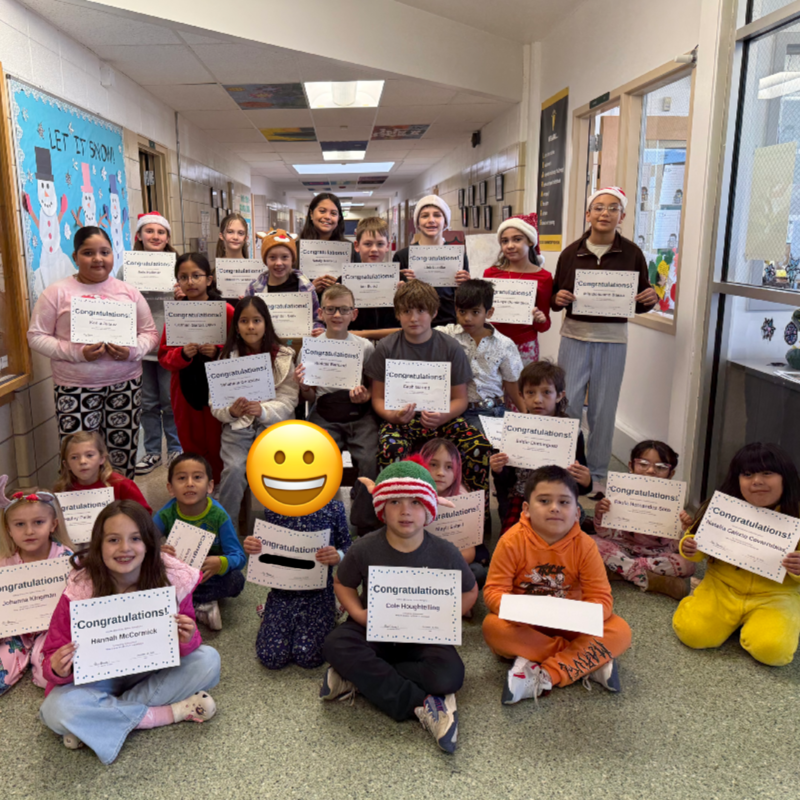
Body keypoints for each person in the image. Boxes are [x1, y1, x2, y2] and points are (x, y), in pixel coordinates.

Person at [39, 500, 221, 764]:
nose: (124, 548)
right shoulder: (81, 588)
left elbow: (189, 645)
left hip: (149, 670)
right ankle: (170, 713)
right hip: (96, 678)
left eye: (135, 538)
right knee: (55, 709)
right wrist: (57, 668)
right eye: (113, 540)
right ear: (98, 545)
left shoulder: (171, 578)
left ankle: (98, 718)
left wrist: (188, 637)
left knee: (208, 660)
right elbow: (51, 654)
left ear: (148, 544)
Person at [320, 457, 478, 754]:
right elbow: (342, 583)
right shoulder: (365, 546)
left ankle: (359, 677)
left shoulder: (445, 552)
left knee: (450, 675)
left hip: (422, 634)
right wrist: (357, 613)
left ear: (429, 510)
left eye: (416, 502)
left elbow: (470, 592)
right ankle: (423, 706)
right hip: (375, 627)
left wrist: (446, 619)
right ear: (382, 508)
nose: (406, 510)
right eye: (395, 501)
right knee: (336, 644)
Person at [482, 466, 632, 704]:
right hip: (527, 623)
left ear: (577, 512)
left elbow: (602, 599)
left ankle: (547, 673)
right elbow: (493, 592)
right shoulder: (511, 541)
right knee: (492, 627)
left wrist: (580, 616)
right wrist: (519, 611)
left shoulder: (585, 545)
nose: (554, 508)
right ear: (527, 509)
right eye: (544, 500)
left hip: (571, 621)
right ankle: (586, 660)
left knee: (620, 631)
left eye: (564, 502)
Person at [550, 187, 658, 498]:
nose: (604, 213)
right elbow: (557, 297)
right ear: (588, 214)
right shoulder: (571, 252)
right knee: (567, 406)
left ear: (621, 216)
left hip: (613, 340)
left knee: (603, 409)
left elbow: (640, 299)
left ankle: (596, 474)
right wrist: (558, 298)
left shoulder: (632, 253)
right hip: (574, 336)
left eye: (612, 208)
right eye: (598, 207)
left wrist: (649, 299)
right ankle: (563, 469)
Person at [27, 226, 159, 479]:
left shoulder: (128, 292)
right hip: (75, 388)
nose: (98, 259)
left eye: (105, 252)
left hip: (125, 385)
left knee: (121, 453)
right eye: (88, 253)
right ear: (75, 257)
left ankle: (121, 511)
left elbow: (150, 334)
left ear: (113, 255)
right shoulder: (57, 292)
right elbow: (36, 336)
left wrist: (132, 350)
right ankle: (84, 514)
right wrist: (76, 352)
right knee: (80, 458)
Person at [364, 280, 493, 503]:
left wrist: (444, 415)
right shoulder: (386, 347)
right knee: (391, 448)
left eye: (421, 311)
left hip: (443, 418)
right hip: (400, 420)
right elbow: (377, 398)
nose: (414, 318)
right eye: (406, 311)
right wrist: (392, 416)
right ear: (397, 314)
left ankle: (474, 517)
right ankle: (393, 511)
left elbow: (460, 399)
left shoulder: (450, 348)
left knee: (479, 446)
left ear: (434, 312)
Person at [673, 443, 800, 666]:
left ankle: (765, 622)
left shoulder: (796, 515)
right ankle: (702, 600)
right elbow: (695, 543)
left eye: (767, 473)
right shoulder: (721, 508)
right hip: (721, 587)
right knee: (691, 632)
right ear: (737, 479)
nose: (757, 481)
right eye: (748, 474)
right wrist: (690, 547)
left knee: (773, 652)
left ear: (785, 477)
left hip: (775, 596)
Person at [296, 284, 381, 535]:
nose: (337, 316)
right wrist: (304, 386)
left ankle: (365, 520)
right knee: (319, 456)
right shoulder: (310, 348)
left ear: (353, 314)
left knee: (370, 457)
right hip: (324, 410)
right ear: (320, 312)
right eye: (331, 309)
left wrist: (364, 395)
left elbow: (371, 389)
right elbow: (309, 395)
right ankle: (327, 519)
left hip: (359, 412)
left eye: (344, 310)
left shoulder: (364, 346)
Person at [211, 297, 299, 532]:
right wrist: (231, 411)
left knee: (281, 471)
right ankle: (226, 530)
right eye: (244, 321)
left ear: (266, 323)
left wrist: (263, 410)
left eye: (257, 320)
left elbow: (290, 399)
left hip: (273, 429)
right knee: (234, 470)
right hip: (237, 429)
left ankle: (284, 530)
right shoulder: (226, 357)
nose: (251, 326)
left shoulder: (283, 356)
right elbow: (215, 404)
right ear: (236, 326)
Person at [242, 498, 351, 669]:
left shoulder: (333, 508)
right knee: (271, 657)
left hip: (318, 594)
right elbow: (267, 545)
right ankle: (269, 612)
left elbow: (348, 545)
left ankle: (331, 610)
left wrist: (338, 555)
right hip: (281, 594)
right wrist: (253, 545)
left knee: (309, 656)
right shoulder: (274, 507)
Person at [490, 361, 592, 534]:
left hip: (559, 498)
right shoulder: (512, 429)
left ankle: (578, 515)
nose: (538, 400)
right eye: (530, 393)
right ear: (521, 395)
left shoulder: (571, 432)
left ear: (559, 395)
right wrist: (498, 469)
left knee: (568, 548)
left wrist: (586, 481)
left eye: (546, 393)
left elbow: (580, 482)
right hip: (522, 498)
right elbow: (505, 484)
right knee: (512, 546)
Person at [158, 253, 234, 483]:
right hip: (184, 389)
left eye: (196, 276)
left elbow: (240, 351)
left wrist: (218, 351)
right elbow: (164, 356)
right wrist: (181, 354)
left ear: (209, 280)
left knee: (218, 439)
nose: (190, 282)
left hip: (218, 389)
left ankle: (218, 484)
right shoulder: (175, 314)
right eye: (183, 277)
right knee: (190, 439)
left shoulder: (226, 311)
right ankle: (197, 485)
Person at [592, 440, 694, 599]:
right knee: (590, 544)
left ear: (671, 473)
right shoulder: (618, 494)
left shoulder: (673, 503)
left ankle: (619, 570)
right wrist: (600, 514)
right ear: (631, 466)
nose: (651, 470)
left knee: (686, 564)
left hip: (656, 554)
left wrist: (684, 530)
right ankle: (649, 579)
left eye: (661, 467)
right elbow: (605, 534)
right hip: (622, 546)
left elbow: (674, 546)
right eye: (643, 464)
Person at [155, 453, 245, 631]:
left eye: (197, 477)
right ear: (170, 488)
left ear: (210, 485)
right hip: (178, 572)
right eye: (181, 478)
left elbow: (239, 557)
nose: (190, 483)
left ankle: (190, 603)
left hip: (206, 575)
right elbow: (141, 542)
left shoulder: (219, 515)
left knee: (236, 580)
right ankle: (198, 604)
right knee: (150, 574)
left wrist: (221, 563)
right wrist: (157, 550)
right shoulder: (166, 514)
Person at [0, 490, 74, 695]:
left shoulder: (67, 559)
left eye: (38, 522)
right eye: (20, 524)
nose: (29, 531)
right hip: (15, 631)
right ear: (9, 530)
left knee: (48, 675)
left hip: (53, 629)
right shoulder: (5, 562)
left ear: (53, 525)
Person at [132, 211, 182, 476]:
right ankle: (152, 452)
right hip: (140, 347)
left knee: (170, 401)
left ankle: (175, 448)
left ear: (167, 237)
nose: (155, 236)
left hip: (169, 344)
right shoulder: (126, 267)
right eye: (149, 231)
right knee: (147, 403)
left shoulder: (177, 265)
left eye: (161, 232)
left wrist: (183, 293)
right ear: (139, 236)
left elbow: (196, 298)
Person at [435, 279, 524, 423]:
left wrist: (525, 413)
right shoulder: (447, 334)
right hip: (460, 412)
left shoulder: (504, 344)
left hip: (495, 410)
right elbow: (415, 331)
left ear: (489, 313)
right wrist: (384, 335)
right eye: (462, 311)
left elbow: (512, 383)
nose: (467, 318)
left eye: (475, 312)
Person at [483, 213, 553, 375]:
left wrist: (540, 319)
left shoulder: (544, 277)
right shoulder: (491, 274)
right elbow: (483, 313)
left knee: (522, 394)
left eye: (517, 239)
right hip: (493, 343)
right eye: (504, 241)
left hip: (525, 346)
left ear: (530, 241)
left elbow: (544, 325)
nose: (510, 245)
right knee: (493, 394)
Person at [418, 438, 488, 588]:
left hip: (450, 562)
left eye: (449, 467)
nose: (441, 473)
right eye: (433, 464)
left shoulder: (462, 499)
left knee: (477, 572)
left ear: (457, 471)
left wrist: (441, 563)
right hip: (418, 562)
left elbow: (469, 554)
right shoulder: (412, 497)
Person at [393, 195, 471, 327]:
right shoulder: (402, 256)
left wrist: (466, 285)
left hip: (448, 324)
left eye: (437, 215)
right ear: (417, 223)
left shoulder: (458, 255)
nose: (431, 220)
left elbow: (464, 299)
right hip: (413, 326)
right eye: (424, 216)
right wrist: (402, 288)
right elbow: (395, 302)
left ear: (445, 222)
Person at [244, 228, 324, 332]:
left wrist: (318, 330)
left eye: (285, 257)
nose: (278, 263)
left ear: (292, 260)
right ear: (265, 260)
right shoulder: (254, 289)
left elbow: (316, 318)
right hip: (265, 345)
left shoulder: (306, 288)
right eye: (272, 257)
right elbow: (245, 321)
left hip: (299, 345)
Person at [54, 431, 151, 514]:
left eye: (89, 455)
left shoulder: (121, 485)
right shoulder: (63, 490)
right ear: (66, 465)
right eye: (74, 457)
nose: (82, 461)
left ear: (102, 458)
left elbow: (144, 514)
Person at [349, 216, 399, 339]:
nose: (374, 250)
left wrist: (405, 297)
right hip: (355, 345)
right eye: (368, 244)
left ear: (387, 246)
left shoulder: (399, 279)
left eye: (380, 244)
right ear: (357, 246)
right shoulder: (345, 279)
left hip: (391, 344)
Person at [297, 193, 352, 295]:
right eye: (322, 211)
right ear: (311, 214)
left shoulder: (349, 248)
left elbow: (355, 284)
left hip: (339, 307)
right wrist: (309, 289)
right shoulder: (296, 247)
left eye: (333, 213)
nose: (327, 217)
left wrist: (340, 289)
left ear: (339, 218)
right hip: (307, 307)